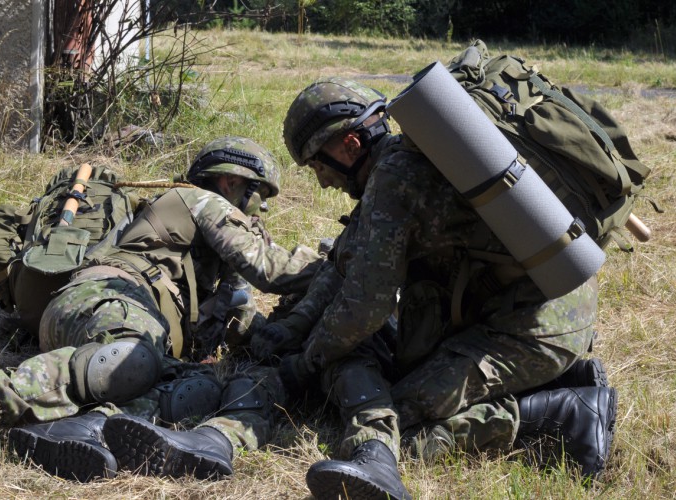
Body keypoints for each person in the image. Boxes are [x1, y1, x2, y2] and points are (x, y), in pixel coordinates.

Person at [251, 77, 617, 499]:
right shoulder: (403, 162)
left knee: (397, 420)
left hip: (531, 330)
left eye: (318, 165)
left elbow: (365, 307)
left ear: (349, 145)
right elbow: (340, 266)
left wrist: (304, 365)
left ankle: (562, 416)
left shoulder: (396, 178)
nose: (323, 182)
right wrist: (290, 330)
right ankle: (559, 379)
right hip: (530, 310)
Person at [0, 136, 322, 482]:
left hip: (127, 325)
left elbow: (241, 323)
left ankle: (84, 428)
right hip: (105, 300)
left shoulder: (211, 266)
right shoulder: (200, 202)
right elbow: (272, 269)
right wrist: (349, 259)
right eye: (258, 193)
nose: (261, 208)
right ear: (230, 182)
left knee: (202, 387)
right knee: (131, 357)